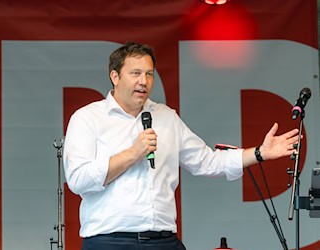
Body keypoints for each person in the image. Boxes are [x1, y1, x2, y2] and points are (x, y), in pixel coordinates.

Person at [63, 42, 300, 250]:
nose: (143, 82)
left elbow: (207, 161)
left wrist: (259, 153)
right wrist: (132, 154)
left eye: (149, 74)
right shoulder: (87, 118)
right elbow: (78, 180)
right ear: (115, 77)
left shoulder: (166, 117)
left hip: (163, 240)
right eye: (135, 73)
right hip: (109, 241)